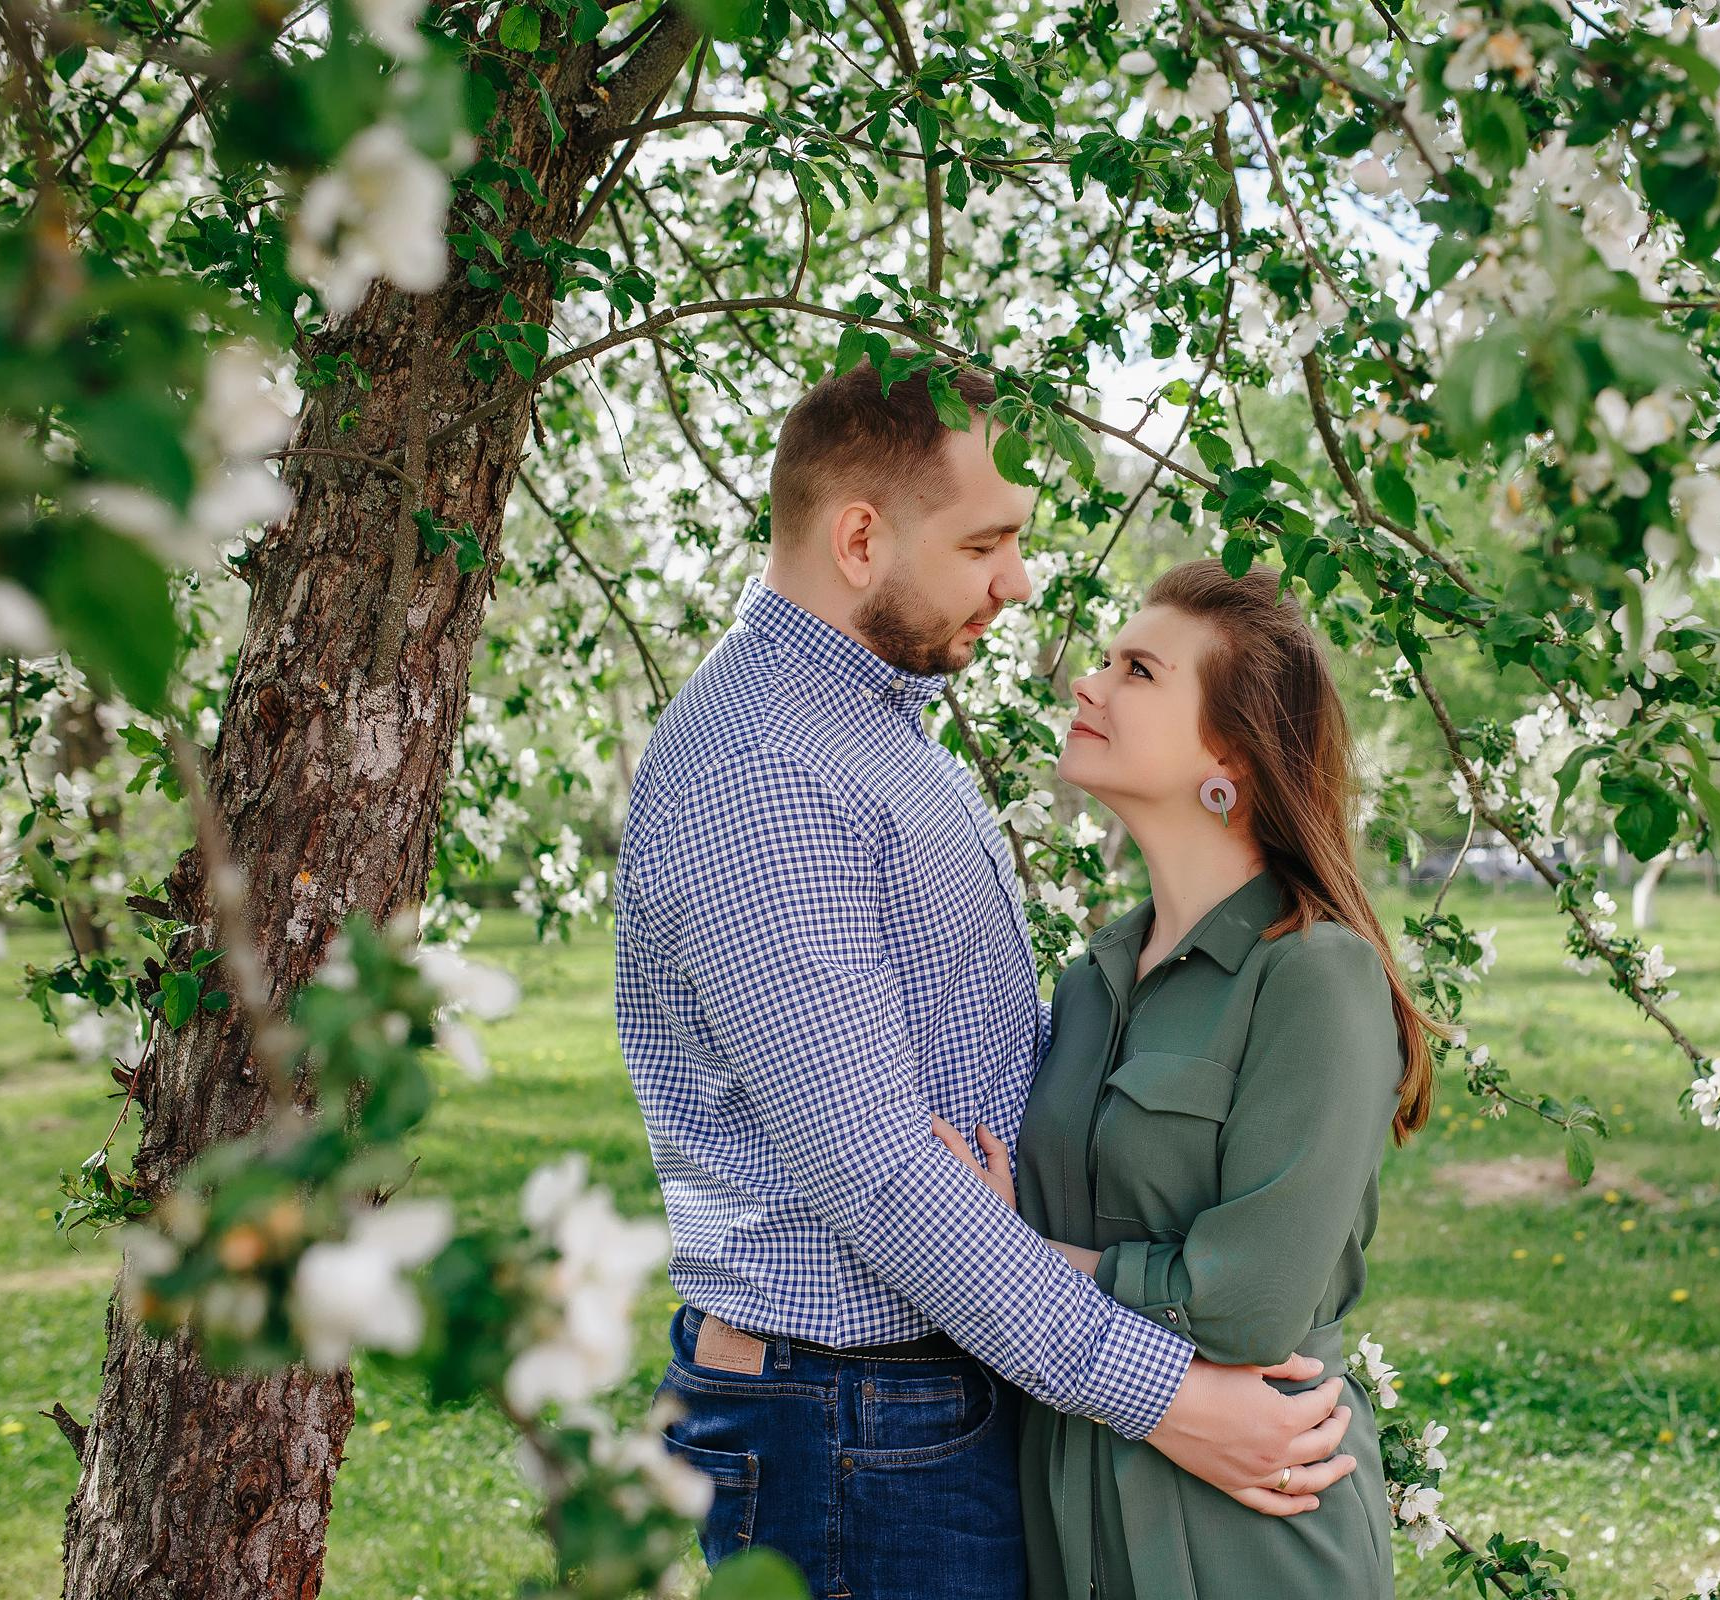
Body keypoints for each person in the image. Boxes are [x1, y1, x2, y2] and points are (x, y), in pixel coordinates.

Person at [613, 356, 1357, 1598]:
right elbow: (883, 1175)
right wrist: (1166, 1393)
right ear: (860, 538)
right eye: (986, 542)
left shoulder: (868, 722)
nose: (1017, 583)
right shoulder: (764, 775)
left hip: (923, 1394)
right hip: (852, 1423)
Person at [934, 558, 1441, 1600]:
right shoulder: (1087, 983)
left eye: (1139, 670)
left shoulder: (1315, 978)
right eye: (1106, 660)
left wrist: (1014, 1252)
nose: (1088, 682)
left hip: (1253, 1525)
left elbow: (1246, 1301)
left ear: (1231, 751)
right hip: (1065, 1518)